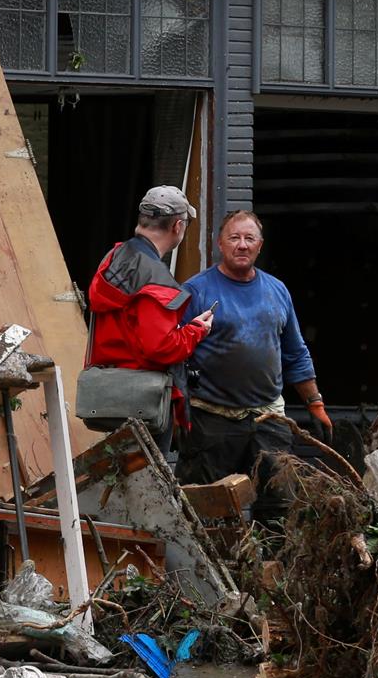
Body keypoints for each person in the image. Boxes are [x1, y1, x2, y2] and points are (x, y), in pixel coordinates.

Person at [179, 211, 328, 527]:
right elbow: (174, 349)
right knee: (207, 512)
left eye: (250, 238)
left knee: (277, 509)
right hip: (212, 420)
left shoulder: (277, 290)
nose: (242, 245)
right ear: (220, 243)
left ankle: (270, 574)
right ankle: (206, 575)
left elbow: (295, 353)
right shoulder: (196, 290)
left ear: (260, 246)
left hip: (268, 418)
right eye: (234, 238)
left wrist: (314, 403)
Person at [85, 185, 214, 450]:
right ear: (178, 226)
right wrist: (196, 330)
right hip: (144, 401)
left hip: (109, 396)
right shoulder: (156, 277)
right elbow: (162, 347)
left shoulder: (113, 258)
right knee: (147, 485)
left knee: (118, 481)